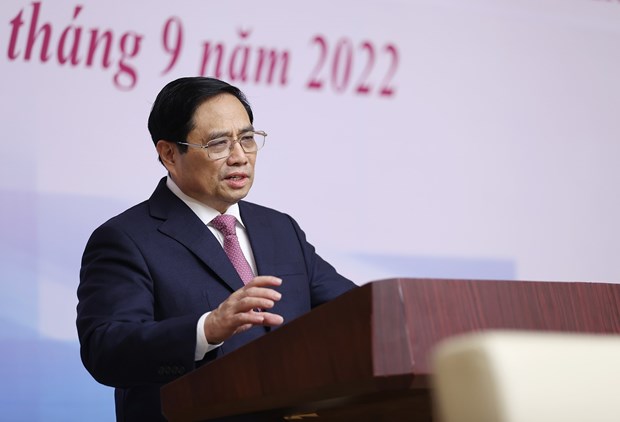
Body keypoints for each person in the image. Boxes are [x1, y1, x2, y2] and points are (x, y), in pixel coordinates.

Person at [76, 76, 357, 421]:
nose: (239, 157)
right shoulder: (126, 239)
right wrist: (206, 330)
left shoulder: (280, 229)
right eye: (219, 143)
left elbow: (354, 311)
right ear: (169, 153)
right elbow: (105, 350)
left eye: (247, 139)